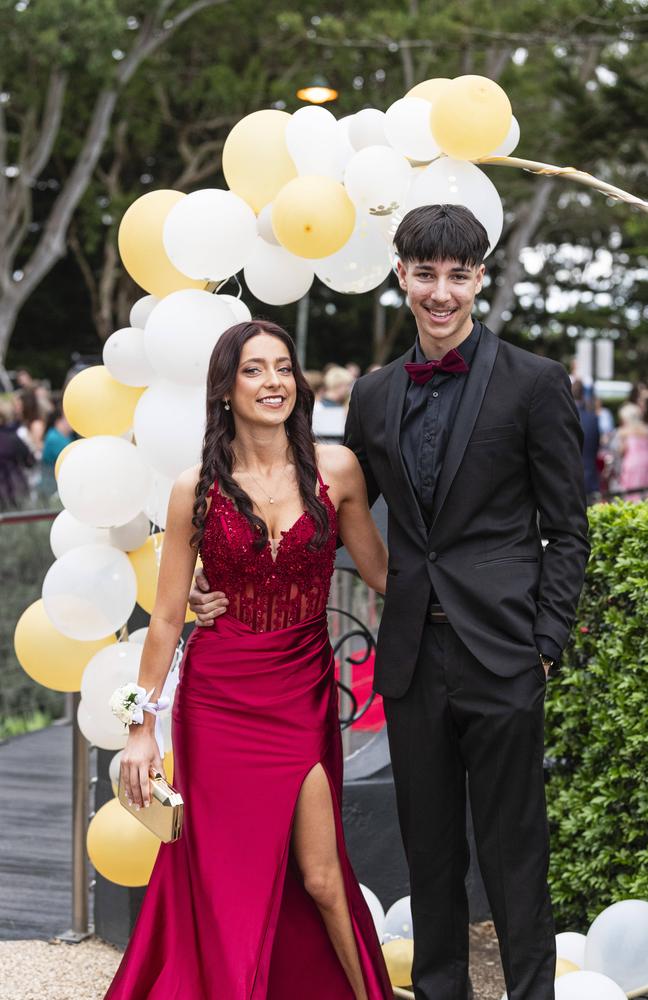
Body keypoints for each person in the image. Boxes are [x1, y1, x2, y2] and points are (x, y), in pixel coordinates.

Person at [190, 205, 590, 1000]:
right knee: (429, 852)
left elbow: (567, 530)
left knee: (516, 852)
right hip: (408, 658)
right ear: (400, 273)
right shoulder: (371, 397)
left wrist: (544, 644)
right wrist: (222, 576)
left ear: (480, 277)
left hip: (504, 653)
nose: (441, 292)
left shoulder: (535, 382)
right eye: (426, 273)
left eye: (459, 274)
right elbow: (318, 509)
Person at [105, 321, 393, 1000]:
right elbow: (167, 616)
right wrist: (141, 730)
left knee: (322, 877)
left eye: (284, 368)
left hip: (301, 693)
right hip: (217, 701)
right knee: (224, 882)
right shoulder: (194, 488)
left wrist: (481, 587)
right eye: (254, 370)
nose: (273, 383)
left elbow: (385, 576)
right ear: (226, 390)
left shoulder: (338, 469)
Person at [0, 399, 35, 509]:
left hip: (12, 489)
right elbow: (30, 461)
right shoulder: (13, 437)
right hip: (15, 489)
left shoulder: (13, 437)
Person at [571, 380, 601, 499]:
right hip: (590, 475)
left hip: (570, 478)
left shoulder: (564, 417)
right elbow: (596, 446)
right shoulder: (593, 418)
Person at [616, 401, 648, 501]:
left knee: (632, 494)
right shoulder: (646, 430)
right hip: (647, 462)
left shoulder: (623, 431)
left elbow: (622, 450)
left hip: (632, 464)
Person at [312, 365, 355, 442]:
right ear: (340, 385)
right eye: (347, 385)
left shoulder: (317, 405)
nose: (348, 389)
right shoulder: (319, 407)